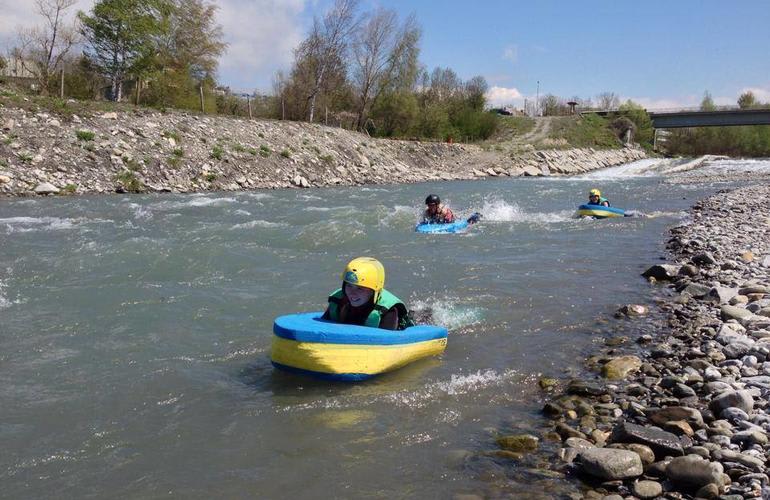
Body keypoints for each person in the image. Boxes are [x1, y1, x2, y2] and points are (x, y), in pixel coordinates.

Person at [322, 257, 414, 331]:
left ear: (373, 291)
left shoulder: (387, 311)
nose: (352, 293)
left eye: (360, 288)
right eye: (349, 286)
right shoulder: (338, 301)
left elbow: (388, 343)